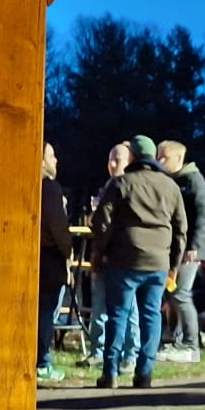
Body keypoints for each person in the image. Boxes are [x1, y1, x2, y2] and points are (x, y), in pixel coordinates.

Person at [92, 134, 187, 389]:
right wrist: (174, 265)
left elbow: (101, 221)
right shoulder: (171, 187)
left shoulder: (121, 183)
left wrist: (101, 251)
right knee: (151, 315)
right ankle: (144, 373)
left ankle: (110, 373)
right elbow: (181, 230)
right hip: (158, 262)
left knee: (118, 315)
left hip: (124, 259)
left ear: (132, 156)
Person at [155, 139, 205, 362]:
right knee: (172, 294)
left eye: (164, 157)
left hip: (188, 249)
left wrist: (194, 246)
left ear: (179, 158)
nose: (160, 160)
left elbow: (203, 214)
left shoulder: (194, 181)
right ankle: (176, 340)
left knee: (180, 294)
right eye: (158, 156)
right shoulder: (173, 180)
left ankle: (190, 344)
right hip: (175, 247)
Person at [85, 142, 138, 375]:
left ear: (130, 162)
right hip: (103, 255)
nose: (112, 164)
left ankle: (130, 355)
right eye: (110, 159)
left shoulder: (132, 187)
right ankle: (98, 352)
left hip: (123, 257)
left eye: (118, 159)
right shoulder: (106, 188)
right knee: (100, 306)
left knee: (129, 308)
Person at [36, 143, 70, 382]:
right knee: (46, 312)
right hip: (49, 256)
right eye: (51, 155)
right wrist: (67, 250)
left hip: (29, 254)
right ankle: (42, 361)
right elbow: (58, 225)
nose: (56, 160)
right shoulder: (49, 188)